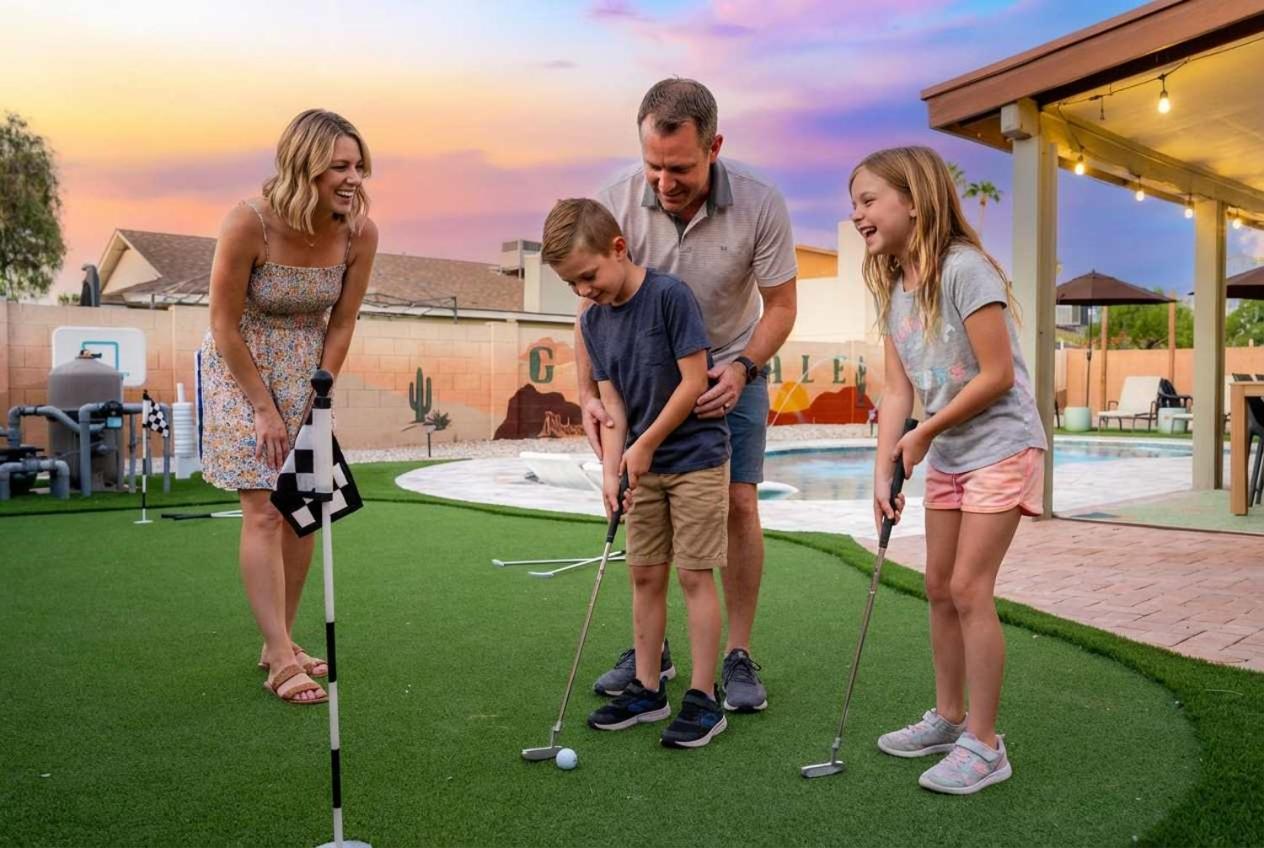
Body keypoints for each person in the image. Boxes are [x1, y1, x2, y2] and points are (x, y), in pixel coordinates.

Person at [581, 78, 797, 712]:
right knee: (644, 497)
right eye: (653, 166)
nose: (663, 182)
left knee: (738, 502)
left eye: (679, 168)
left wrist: (744, 369)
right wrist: (587, 393)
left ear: (714, 147)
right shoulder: (616, 202)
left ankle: (737, 653)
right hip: (643, 376)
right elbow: (589, 304)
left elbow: (782, 306)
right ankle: (652, 654)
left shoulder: (760, 201)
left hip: (731, 366)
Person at [851, 146, 1046, 793]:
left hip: (1002, 444)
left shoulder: (964, 269)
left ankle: (986, 746)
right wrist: (883, 468)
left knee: (968, 587)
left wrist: (925, 433)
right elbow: (897, 392)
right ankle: (949, 717)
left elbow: (998, 374)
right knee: (937, 585)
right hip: (953, 453)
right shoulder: (895, 289)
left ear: (913, 201)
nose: (858, 215)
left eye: (869, 200)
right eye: (854, 204)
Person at [199, 109, 378, 705]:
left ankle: (280, 638)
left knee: (303, 508)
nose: (354, 179)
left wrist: (318, 393)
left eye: (359, 166)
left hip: (308, 371)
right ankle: (279, 656)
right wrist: (264, 408)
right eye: (340, 167)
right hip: (241, 367)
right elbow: (223, 325)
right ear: (305, 166)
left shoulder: (360, 232)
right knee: (263, 510)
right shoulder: (248, 222)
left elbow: (343, 321)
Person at [543, 198, 730, 748]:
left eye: (588, 276)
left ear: (619, 249)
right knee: (644, 574)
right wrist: (611, 472)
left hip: (695, 458)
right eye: (571, 284)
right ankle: (649, 688)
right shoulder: (593, 321)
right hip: (640, 468)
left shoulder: (670, 296)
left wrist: (645, 444)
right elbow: (614, 406)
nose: (583, 290)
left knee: (693, 575)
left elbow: (693, 382)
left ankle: (703, 698)